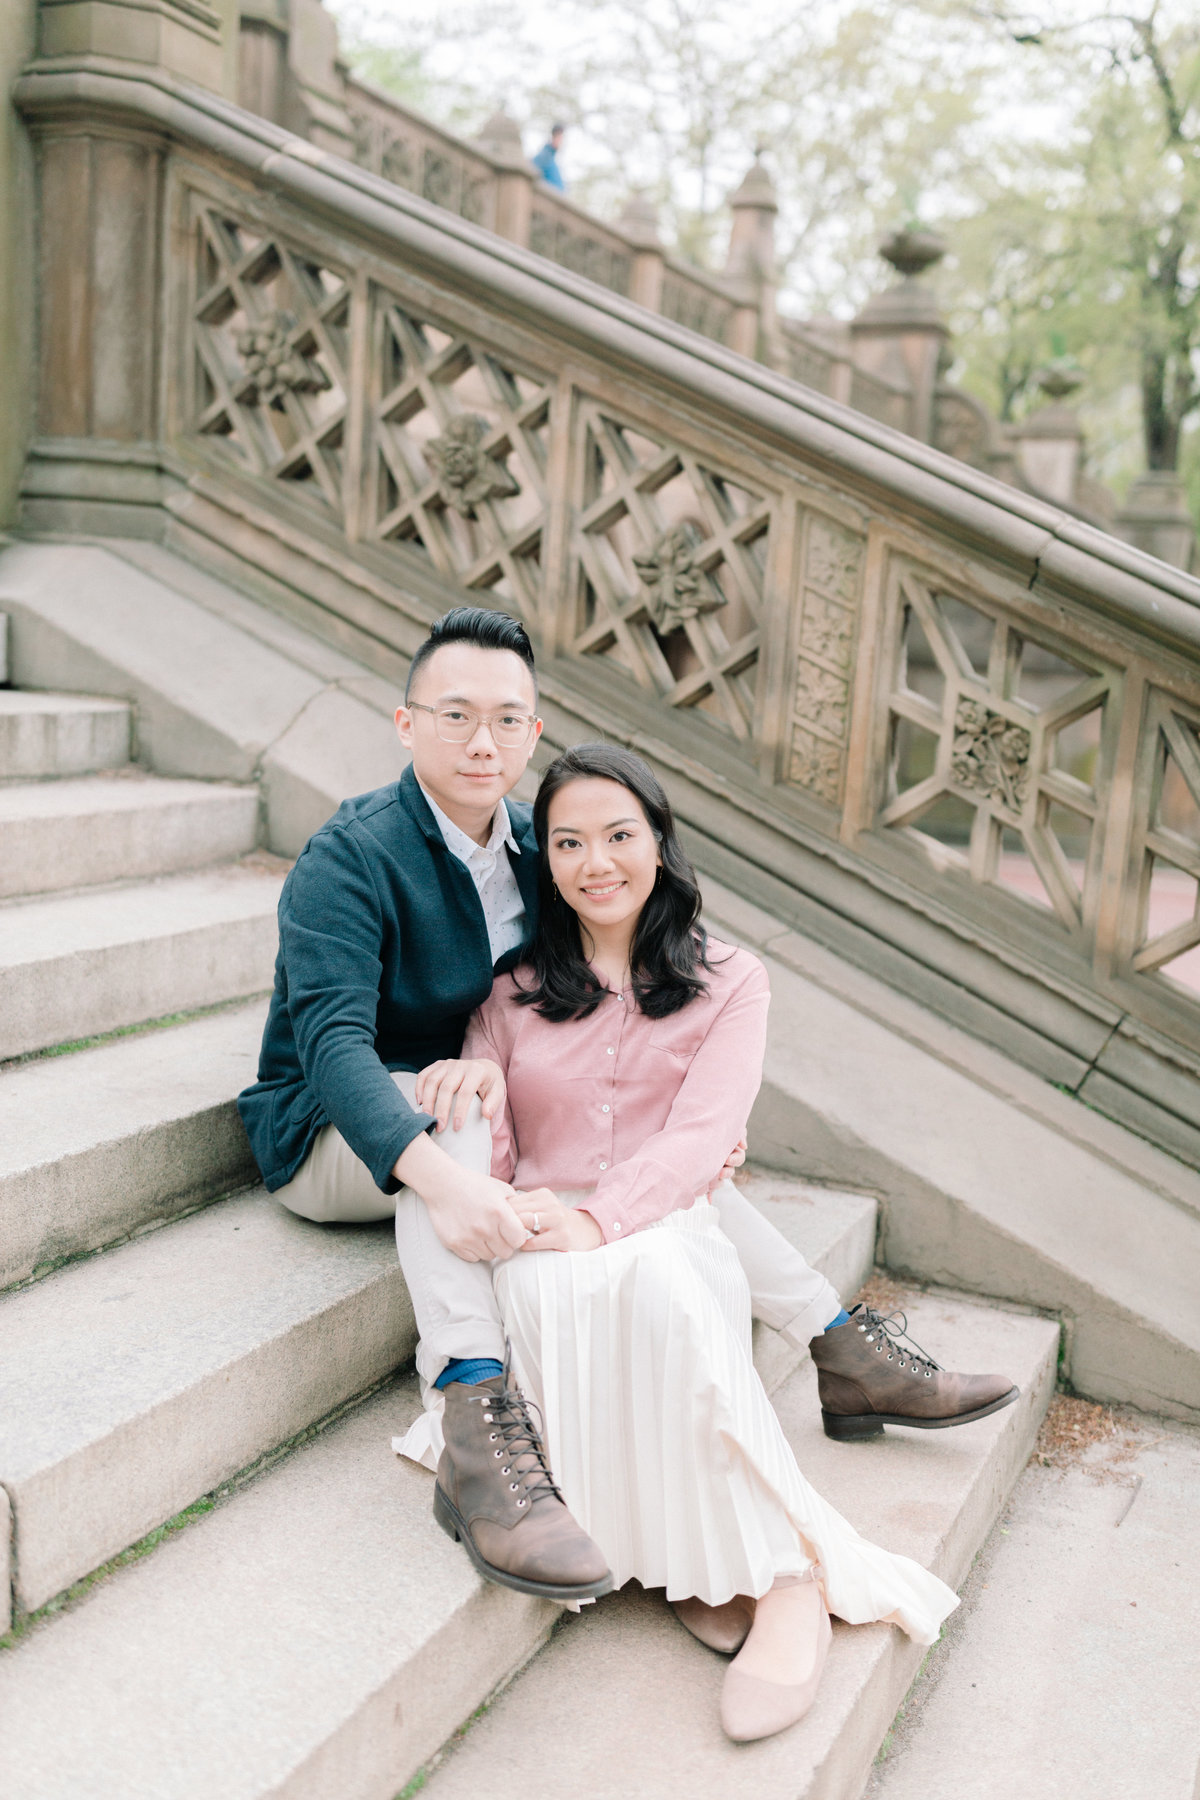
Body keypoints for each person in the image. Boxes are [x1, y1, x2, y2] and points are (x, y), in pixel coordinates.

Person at [237, 605, 1016, 1606]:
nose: (485, 743)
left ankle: (840, 1346)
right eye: (458, 715)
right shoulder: (350, 857)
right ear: (405, 723)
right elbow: (331, 1047)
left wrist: (693, 1134)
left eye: (509, 720)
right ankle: (475, 1414)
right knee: (465, 1113)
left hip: (483, 1097)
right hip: (339, 1130)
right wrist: (442, 1177)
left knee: (632, 1141)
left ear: (534, 726)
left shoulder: (536, 841)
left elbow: (586, 1014)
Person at [412, 741, 965, 1741]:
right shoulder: (513, 990)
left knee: (663, 1281)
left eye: (620, 835)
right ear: (548, 863)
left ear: (659, 844)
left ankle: (784, 1575)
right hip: (542, 1226)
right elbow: (490, 1141)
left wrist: (597, 1217)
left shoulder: (730, 980)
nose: (596, 862)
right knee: (548, 1295)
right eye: (569, 842)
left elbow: (704, 1140)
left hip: (661, 1214)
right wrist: (512, 1191)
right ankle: (680, 1553)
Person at [531, 123, 567, 191]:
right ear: (555, 136)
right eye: (560, 138)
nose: (561, 141)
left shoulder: (552, 159)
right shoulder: (544, 156)